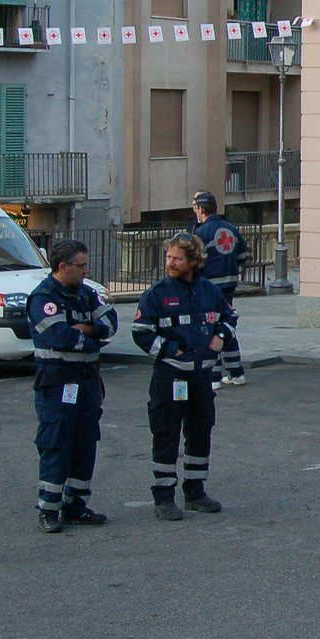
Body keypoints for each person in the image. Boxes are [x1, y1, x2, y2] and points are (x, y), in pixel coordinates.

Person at [132, 233, 235, 520]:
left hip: (201, 378)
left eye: (177, 258)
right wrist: (171, 350)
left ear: (193, 261)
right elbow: (140, 332)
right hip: (171, 378)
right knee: (166, 434)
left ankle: (195, 492)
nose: (170, 263)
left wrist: (220, 338)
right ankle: (164, 497)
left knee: (200, 432)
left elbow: (229, 317)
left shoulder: (209, 291)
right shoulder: (157, 294)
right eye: (168, 257)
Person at [27, 239, 118, 532]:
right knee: (56, 443)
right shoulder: (42, 297)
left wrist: (86, 329)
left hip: (88, 381)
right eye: (80, 266)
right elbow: (59, 337)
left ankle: (76, 505)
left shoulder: (88, 294)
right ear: (63, 266)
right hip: (57, 382)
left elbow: (111, 325)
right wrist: (91, 335)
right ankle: (49, 509)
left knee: (85, 442)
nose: (85, 270)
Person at [192, 191, 249, 387]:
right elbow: (242, 256)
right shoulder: (231, 229)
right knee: (226, 325)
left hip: (208, 287)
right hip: (229, 286)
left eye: (195, 207)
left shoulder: (200, 233)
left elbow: (195, 263)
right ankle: (236, 371)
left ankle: (214, 376)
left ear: (200, 209)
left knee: (210, 327)